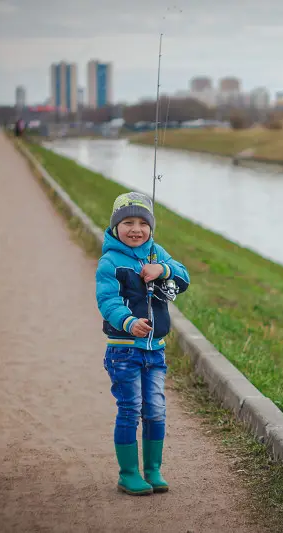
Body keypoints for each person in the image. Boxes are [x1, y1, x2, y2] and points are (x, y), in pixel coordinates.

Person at [95, 191, 190, 495]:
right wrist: (128, 322)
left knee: (156, 409)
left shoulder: (156, 253)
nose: (135, 229)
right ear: (115, 227)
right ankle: (128, 473)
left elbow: (184, 276)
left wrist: (163, 269)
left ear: (151, 227)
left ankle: (153, 470)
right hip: (123, 351)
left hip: (155, 350)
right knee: (130, 408)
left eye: (142, 223)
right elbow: (107, 300)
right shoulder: (110, 261)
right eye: (127, 223)